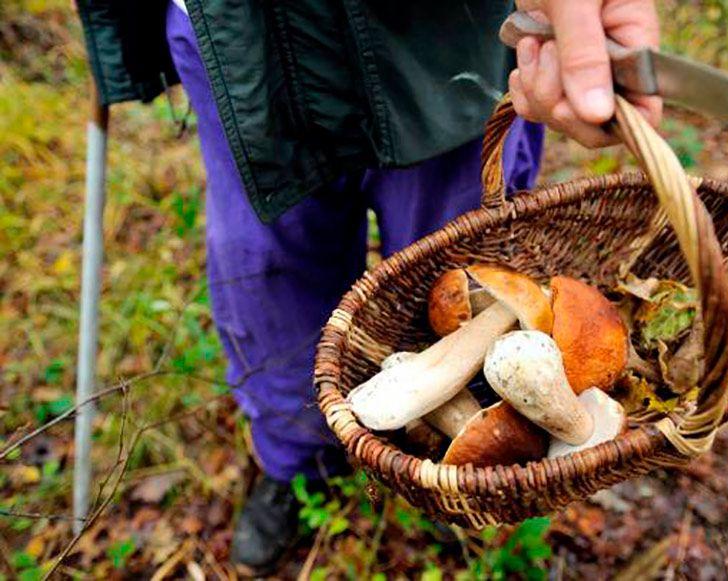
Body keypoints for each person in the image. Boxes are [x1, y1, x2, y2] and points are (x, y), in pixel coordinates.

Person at [77, 0, 659, 574]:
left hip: (444, 48)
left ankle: (458, 481)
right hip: (245, 41)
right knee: (269, 280)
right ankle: (297, 467)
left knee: (452, 250)